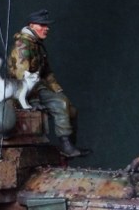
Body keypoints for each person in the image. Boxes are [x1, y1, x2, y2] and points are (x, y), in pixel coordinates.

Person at [8, 9, 83, 157]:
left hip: (37, 86)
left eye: (46, 25)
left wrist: (57, 90)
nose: (46, 28)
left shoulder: (36, 45)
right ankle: (66, 147)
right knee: (61, 104)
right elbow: (21, 78)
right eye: (42, 25)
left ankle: (69, 145)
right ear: (32, 26)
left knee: (71, 109)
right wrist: (34, 100)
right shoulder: (23, 45)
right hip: (24, 91)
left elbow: (47, 72)